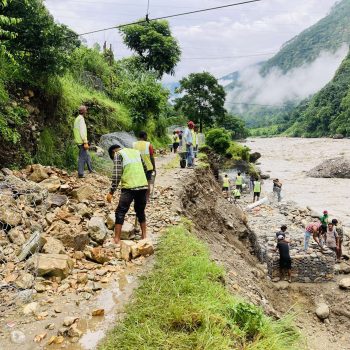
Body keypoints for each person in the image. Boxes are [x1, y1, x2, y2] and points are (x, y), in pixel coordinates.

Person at [106, 144, 148, 245]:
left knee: (120, 211)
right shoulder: (136, 152)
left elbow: (117, 175)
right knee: (140, 210)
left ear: (113, 153)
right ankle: (144, 236)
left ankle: (116, 239)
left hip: (129, 187)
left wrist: (111, 191)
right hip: (142, 185)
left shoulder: (118, 154)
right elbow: (145, 168)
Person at [133, 131, 156, 202]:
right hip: (148, 167)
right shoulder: (148, 145)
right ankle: (146, 199)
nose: (147, 137)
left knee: (139, 183)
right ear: (144, 136)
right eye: (146, 136)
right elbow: (151, 157)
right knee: (148, 183)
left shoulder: (134, 144)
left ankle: (138, 198)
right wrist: (154, 167)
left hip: (138, 166)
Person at [73, 105, 93, 178]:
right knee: (82, 158)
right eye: (86, 110)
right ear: (83, 111)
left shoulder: (77, 118)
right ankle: (80, 173)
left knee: (87, 155)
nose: (86, 111)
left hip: (78, 140)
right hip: (81, 141)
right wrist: (85, 141)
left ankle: (91, 169)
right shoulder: (81, 119)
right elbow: (82, 131)